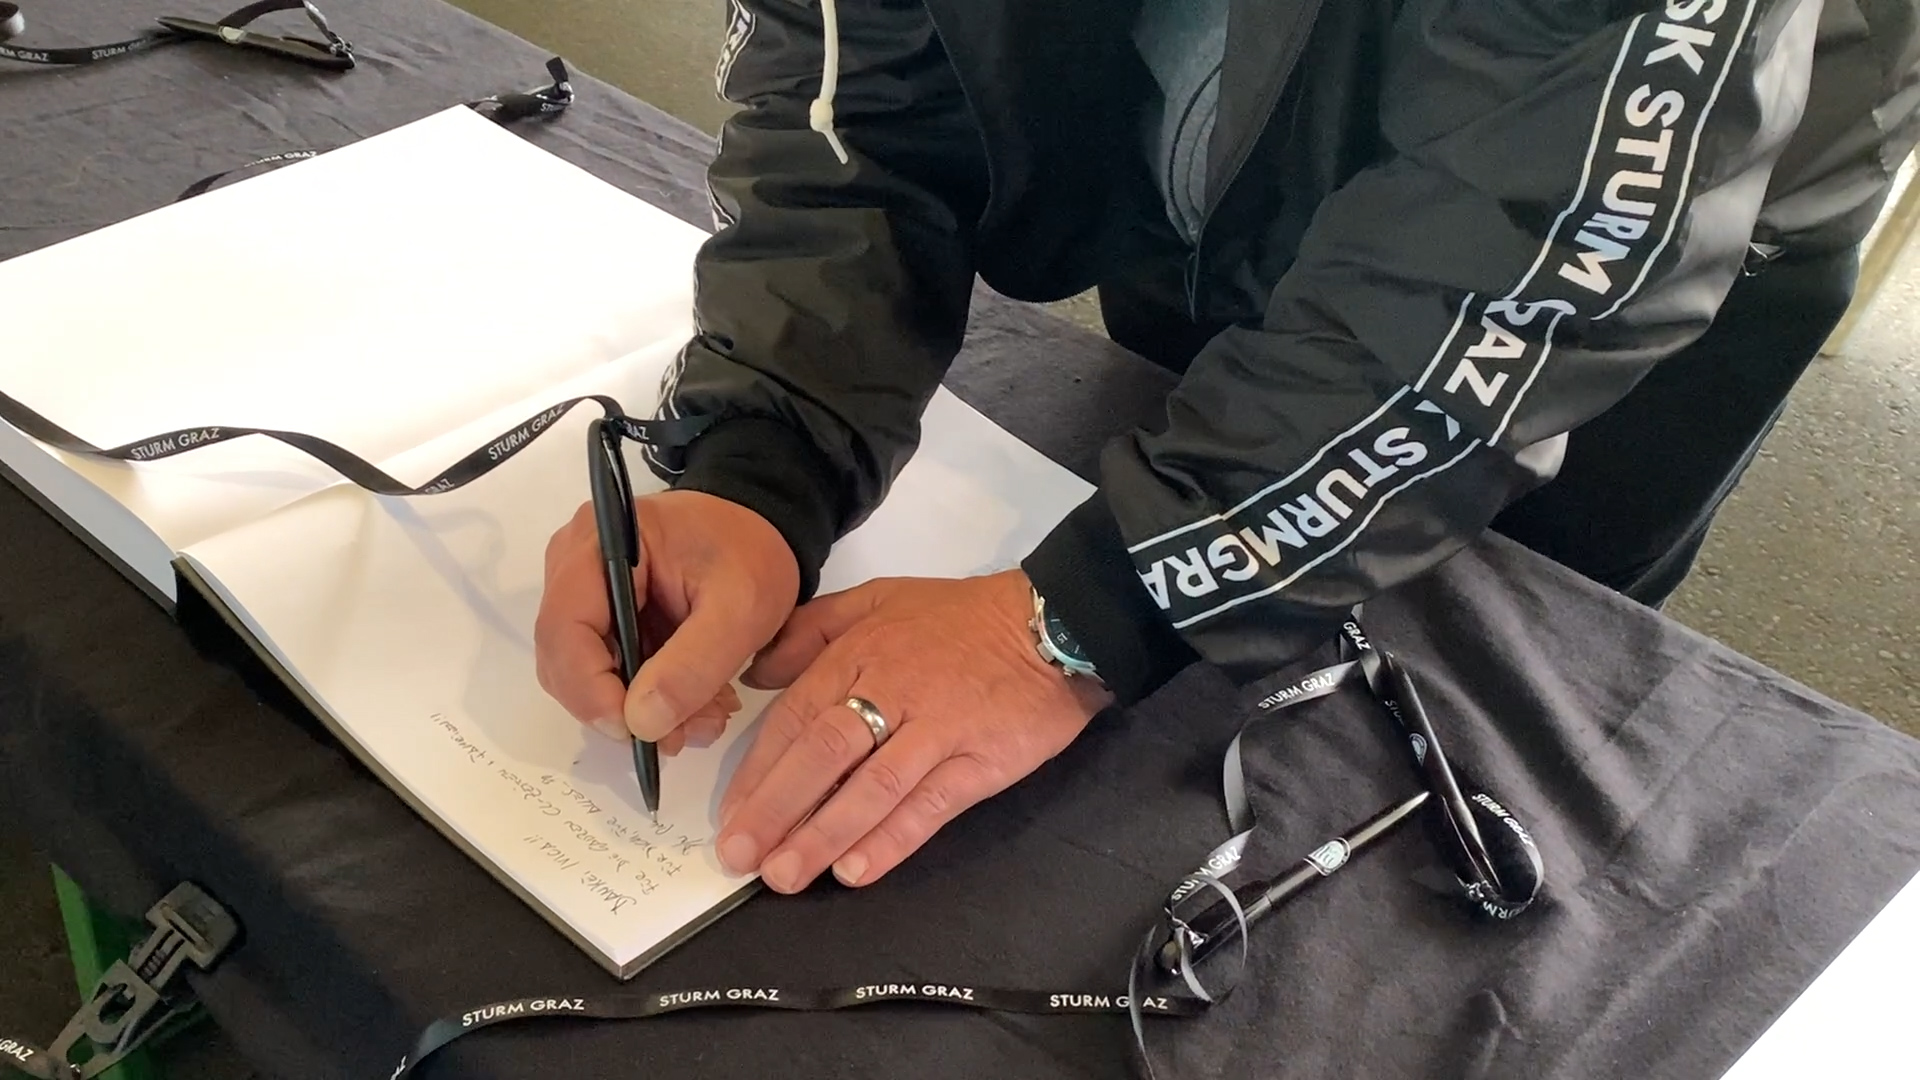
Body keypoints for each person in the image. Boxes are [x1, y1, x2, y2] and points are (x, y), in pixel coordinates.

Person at [534, 0, 1920, 897]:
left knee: (1529, 699)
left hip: (1657, 203)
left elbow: (1543, 240)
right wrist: (768, 444)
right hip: (1231, 126)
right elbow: (865, 57)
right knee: (1215, 334)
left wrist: (1078, 619)